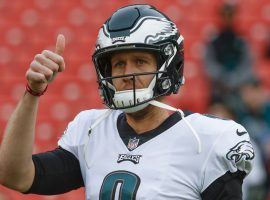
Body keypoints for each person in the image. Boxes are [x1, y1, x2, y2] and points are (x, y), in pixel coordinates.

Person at [0, 4, 254, 199]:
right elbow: (15, 175)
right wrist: (32, 93)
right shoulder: (91, 130)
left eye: (140, 62)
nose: (126, 74)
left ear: (168, 66)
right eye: (119, 64)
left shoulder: (207, 140)